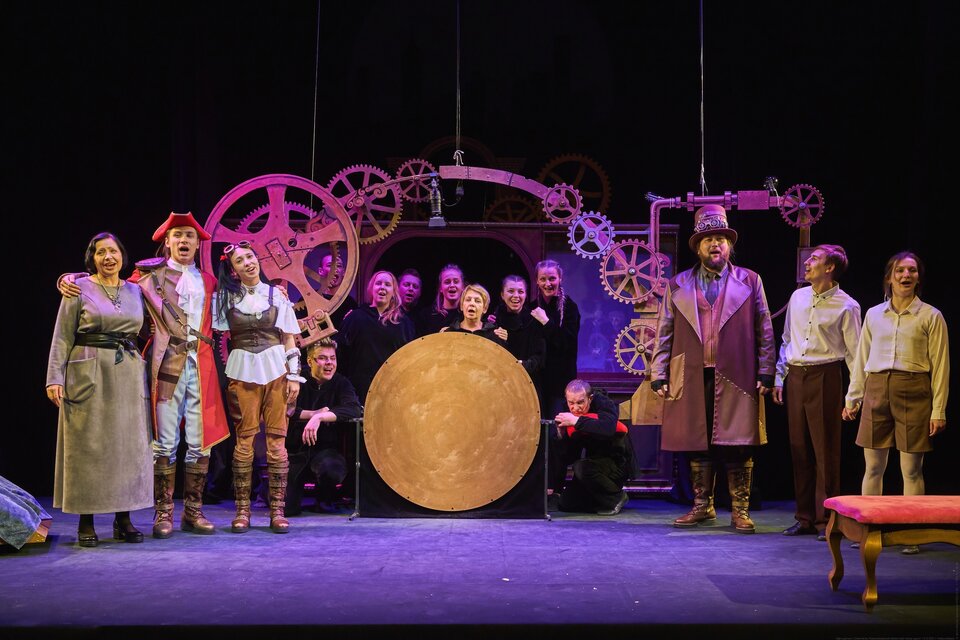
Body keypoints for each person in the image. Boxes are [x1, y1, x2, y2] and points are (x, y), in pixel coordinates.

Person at [58, 212, 230, 538]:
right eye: (177, 235)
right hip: (166, 367)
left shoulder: (209, 281)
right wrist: (70, 277)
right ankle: (163, 513)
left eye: (190, 236)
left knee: (200, 442)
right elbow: (106, 281)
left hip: (202, 368)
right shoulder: (147, 278)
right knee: (164, 442)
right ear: (167, 242)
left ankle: (193, 512)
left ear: (198, 244)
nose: (184, 241)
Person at [650, 205, 775, 534]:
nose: (715, 244)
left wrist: (767, 370)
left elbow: (764, 328)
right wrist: (658, 373)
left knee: (739, 442)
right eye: (708, 239)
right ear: (697, 247)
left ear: (729, 245)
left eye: (721, 238)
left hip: (738, 373)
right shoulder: (678, 284)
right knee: (697, 441)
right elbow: (664, 331)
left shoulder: (750, 280)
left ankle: (740, 510)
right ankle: (702, 506)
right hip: (693, 373)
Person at [46, 232, 153, 546]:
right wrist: (55, 377)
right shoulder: (77, 288)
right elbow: (62, 336)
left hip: (128, 372)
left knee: (126, 447)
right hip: (88, 369)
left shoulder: (135, 290)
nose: (108, 257)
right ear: (92, 258)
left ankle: (124, 519)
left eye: (113, 251)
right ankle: (86, 521)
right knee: (88, 446)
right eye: (101, 252)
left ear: (123, 256)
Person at [843, 251, 948, 555]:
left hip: (914, 390)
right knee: (873, 466)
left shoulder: (931, 316)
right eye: (900, 270)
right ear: (889, 277)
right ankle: (868, 529)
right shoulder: (874, 314)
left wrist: (938, 410)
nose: (906, 276)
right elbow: (861, 358)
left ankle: (910, 533)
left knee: (911, 469)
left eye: (912, 271)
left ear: (918, 277)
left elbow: (941, 366)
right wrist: (853, 397)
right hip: (877, 389)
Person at [213, 241, 303, 533]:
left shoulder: (277, 295)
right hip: (242, 371)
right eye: (240, 261)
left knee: (276, 441)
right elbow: (211, 332)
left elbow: (288, 337)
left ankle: (277, 510)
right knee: (244, 441)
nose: (248, 263)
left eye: (250, 257)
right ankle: (243, 510)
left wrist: (294, 376)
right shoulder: (224, 299)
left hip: (276, 370)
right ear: (233, 270)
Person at [773, 245, 861, 541]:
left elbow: (855, 354)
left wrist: (854, 396)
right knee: (799, 448)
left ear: (830, 268)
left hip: (826, 376)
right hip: (797, 375)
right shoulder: (797, 297)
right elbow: (787, 339)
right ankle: (805, 517)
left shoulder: (847, 306)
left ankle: (829, 520)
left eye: (814, 259)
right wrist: (780, 377)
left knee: (825, 450)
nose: (807, 262)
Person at [286, 338, 361, 514]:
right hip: (294, 451)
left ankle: (324, 498)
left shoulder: (341, 383)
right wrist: (312, 414)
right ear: (310, 361)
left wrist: (320, 417)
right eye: (322, 358)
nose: (329, 363)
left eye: (332, 358)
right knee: (287, 509)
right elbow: (284, 410)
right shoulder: (297, 381)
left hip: (325, 450)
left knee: (332, 469)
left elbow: (353, 409)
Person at [531, 259, 582, 496]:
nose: (548, 283)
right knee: (535, 434)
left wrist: (546, 322)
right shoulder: (532, 308)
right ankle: (536, 485)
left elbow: (565, 343)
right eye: (543, 279)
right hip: (536, 382)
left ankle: (555, 485)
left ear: (560, 279)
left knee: (556, 435)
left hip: (560, 384)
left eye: (552, 278)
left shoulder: (569, 308)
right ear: (537, 281)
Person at [552, 380, 632, 515]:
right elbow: (569, 457)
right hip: (592, 464)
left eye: (580, 402)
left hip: (616, 462)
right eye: (571, 403)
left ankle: (616, 497)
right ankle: (598, 500)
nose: (575, 408)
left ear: (590, 398)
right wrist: (562, 436)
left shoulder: (603, 403)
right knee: (566, 503)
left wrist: (577, 421)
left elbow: (608, 428)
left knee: (582, 467)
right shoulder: (567, 411)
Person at [338, 271, 415, 404]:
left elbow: (409, 358)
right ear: (371, 289)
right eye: (378, 283)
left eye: (387, 284)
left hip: (391, 389)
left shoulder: (403, 323)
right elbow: (341, 353)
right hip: (358, 389)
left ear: (394, 292)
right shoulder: (355, 317)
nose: (382, 287)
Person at [489, 275, 546, 389]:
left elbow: (540, 357)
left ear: (526, 295)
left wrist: (523, 365)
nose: (516, 296)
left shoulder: (534, 321)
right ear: (502, 295)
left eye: (520, 292)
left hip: (528, 383)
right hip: (500, 384)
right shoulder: (493, 321)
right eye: (511, 291)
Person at [443, 283, 508, 345]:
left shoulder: (495, 335)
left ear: (485, 308)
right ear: (461, 306)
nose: (472, 303)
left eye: (477, 301)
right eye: (468, 300)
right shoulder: (449, 333)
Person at [416, 264, 464, 336]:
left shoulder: (467, 315)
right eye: (447, 282)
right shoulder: (426, 316)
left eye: (456, 281)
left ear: (462, 286)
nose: (452, 285)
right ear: (440, 288)